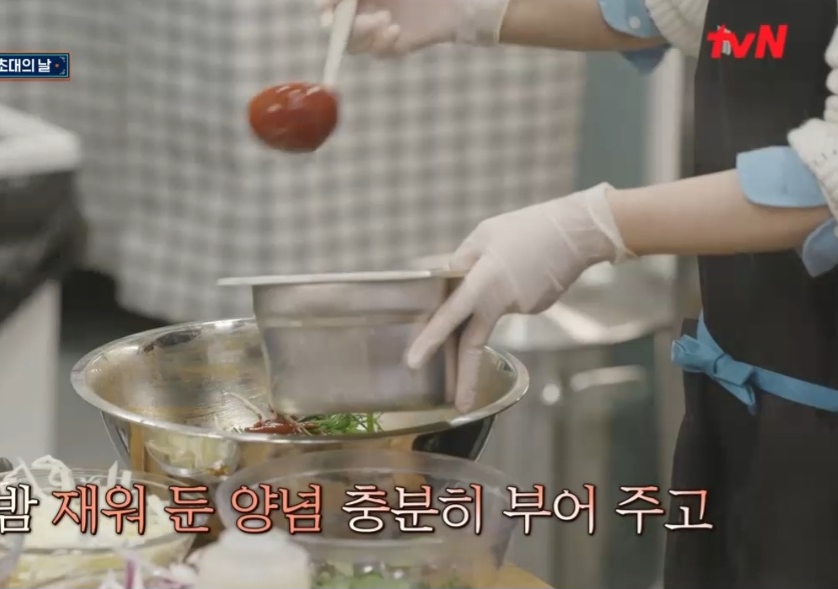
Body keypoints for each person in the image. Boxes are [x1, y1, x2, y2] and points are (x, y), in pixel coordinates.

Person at [314, 0, 838, 586]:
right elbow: (675, 10)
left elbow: (830, 176)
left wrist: (590, 228)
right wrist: (466, 12)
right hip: (742, 400)